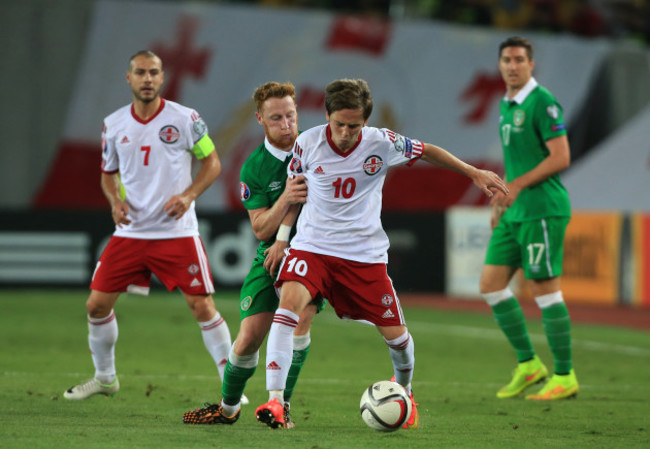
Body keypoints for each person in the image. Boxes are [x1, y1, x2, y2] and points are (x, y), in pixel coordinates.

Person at [254, 78, 509, 430]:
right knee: (289, 309)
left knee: (399, 340)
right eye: (338, 124)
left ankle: (405, 392)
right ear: (327, 115)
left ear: (366, 122)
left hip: (364, 255)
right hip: (313, 247)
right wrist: (283, 238)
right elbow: (296, 193)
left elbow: (428, 150)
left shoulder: (382, 142)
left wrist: (472, 171)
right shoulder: (306, 144)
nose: (344, 133)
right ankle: (276, 402)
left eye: (353, 126)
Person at [63, 50, 235, 401]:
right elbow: (107, 175)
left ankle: (231, 385)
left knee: (202, 306)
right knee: (96, 306)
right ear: (129, 78)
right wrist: (115, 201)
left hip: (176, 232)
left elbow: (213, 162)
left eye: (153, 73)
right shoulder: (113, 125)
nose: (147, 79)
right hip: (131, 232)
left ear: (162, 78)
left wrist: (188, 195)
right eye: (140, 72)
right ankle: (106, 379)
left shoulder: (185, 118)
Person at [182, 81, 325, 428]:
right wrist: (286, 197)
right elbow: (260, 229)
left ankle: (281, 406)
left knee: (300, 318)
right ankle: (227, 409)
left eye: (291, 115)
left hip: (313, 252)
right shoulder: (254, 168)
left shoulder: (316, 145)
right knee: (247, 340)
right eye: (277, 118)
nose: (288, 125)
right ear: (260, 119)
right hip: (272, 253)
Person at [479, 36, 579, 400]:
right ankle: (528, 365)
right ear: (500, 64)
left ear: (531, 64)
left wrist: (516, 186)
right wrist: (500, 201)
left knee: (544, 290)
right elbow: (517, 161)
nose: (512, 65)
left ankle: (565, 375)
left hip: (542, 209)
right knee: (490, 284)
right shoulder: (508, 103)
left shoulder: (543, 102)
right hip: (515, 209)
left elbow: (561, 157)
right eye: (506, 59)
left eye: (519, 59)